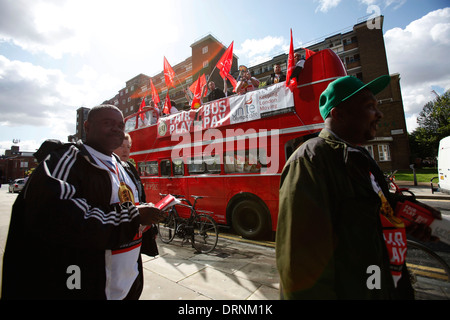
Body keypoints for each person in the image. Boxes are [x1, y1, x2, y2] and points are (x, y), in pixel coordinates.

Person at [1, 105, 164, 300]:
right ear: (87, 127)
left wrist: (149, 219)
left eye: (120, 126)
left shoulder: (126, 168)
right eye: (107, 123)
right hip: (84, 283)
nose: (116, 129)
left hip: (127, 284)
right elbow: (62, 217)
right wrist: (134, 216)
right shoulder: (66, 160)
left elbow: (134, 211)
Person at [276, 75, 416, 300]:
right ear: (338, 114)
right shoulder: (309, 160)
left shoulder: (360, 156)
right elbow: (300, 268)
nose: (378, 114)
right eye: (370, 106)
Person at [113, 133, 159, 257]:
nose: (125, 150)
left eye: (128, 147)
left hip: (138, 231)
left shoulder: (130, 168)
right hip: (122, 232)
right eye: (121, 146)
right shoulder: (110, 169)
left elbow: (140, 197)